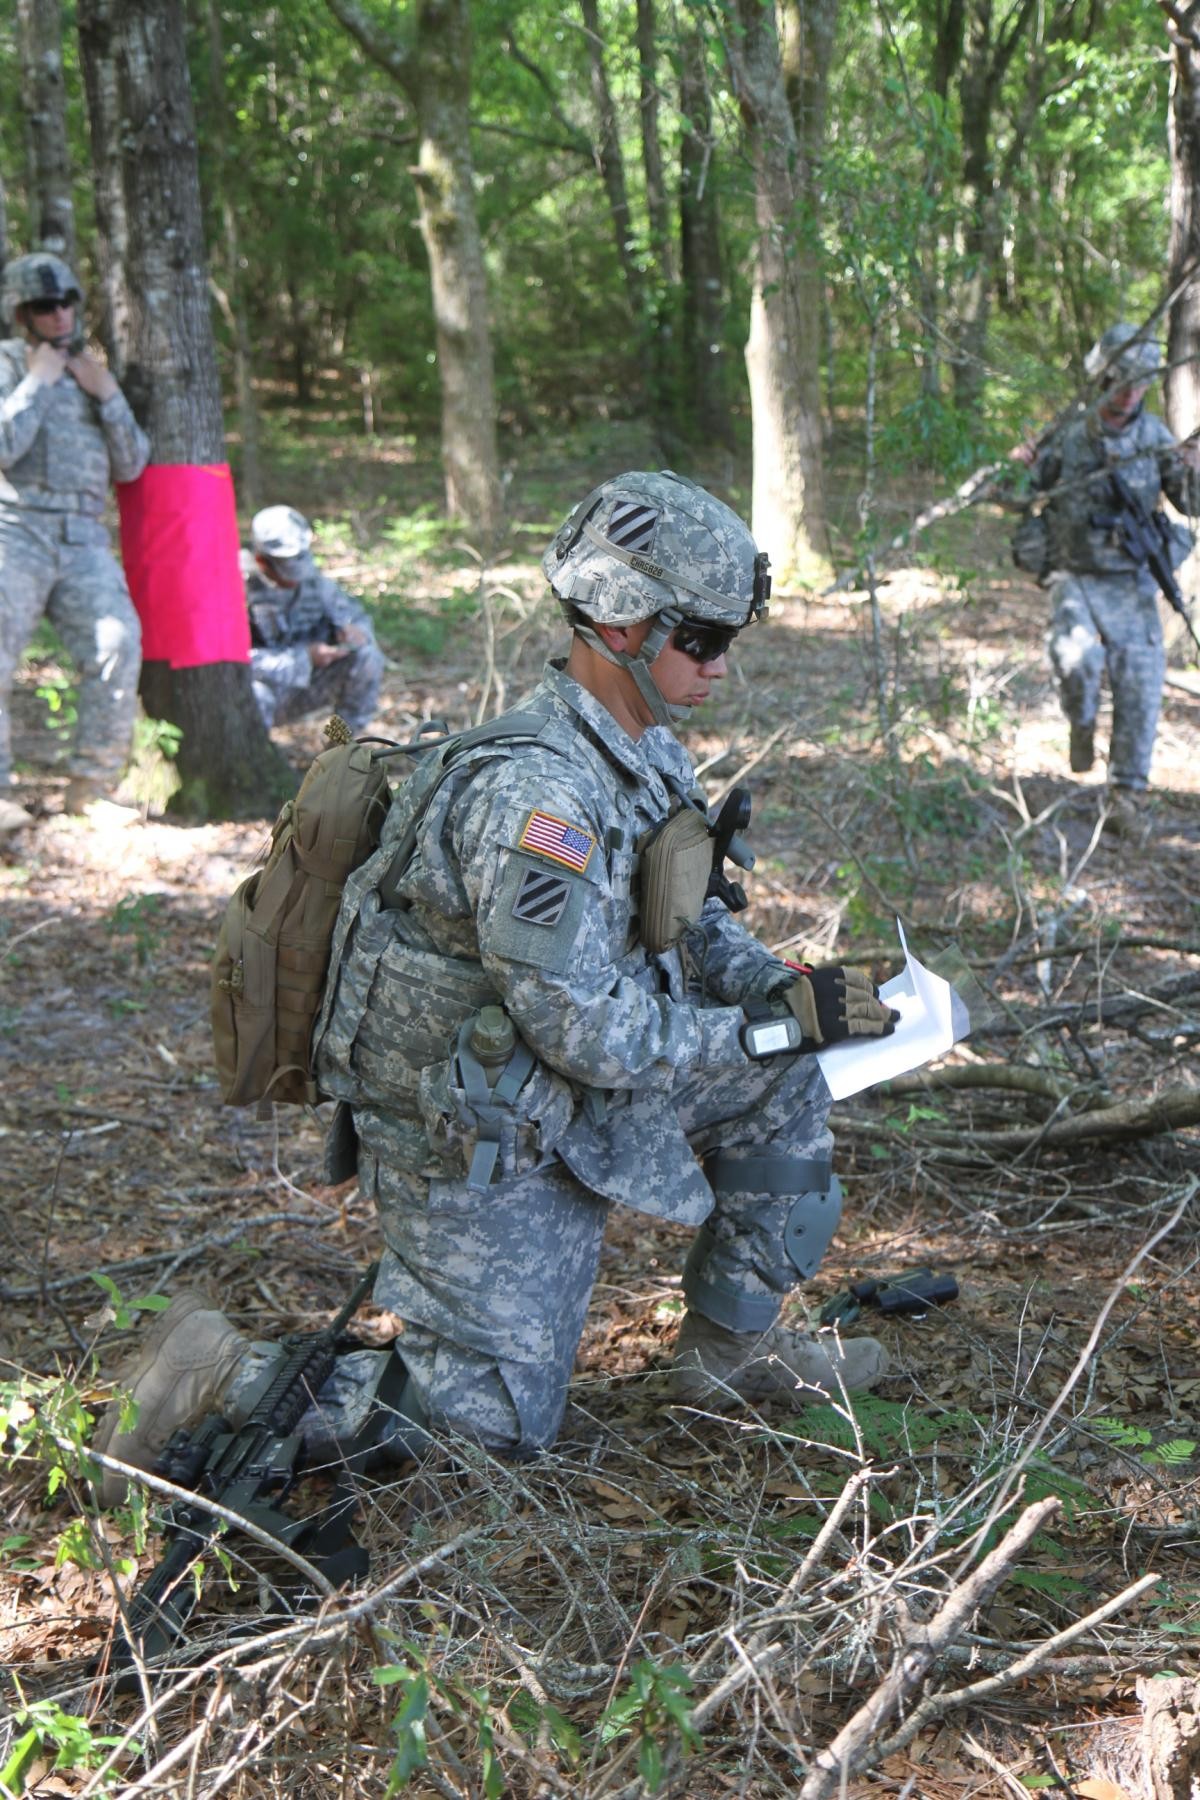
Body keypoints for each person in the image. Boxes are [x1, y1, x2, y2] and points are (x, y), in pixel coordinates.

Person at [92, 471, 899, 1500]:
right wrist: (763, 1032)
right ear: (617, 627)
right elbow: (588, 1032)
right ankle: (214, 1371)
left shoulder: (647, 757)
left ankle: (729, 1354)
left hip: (558, 1078)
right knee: (484, 1425)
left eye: (727, 639)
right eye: (700, 640)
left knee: (785, 1085)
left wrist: (791, 995)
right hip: (478, 1128)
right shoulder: (537, 803)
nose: (722, 668)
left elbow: (693, 933)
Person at [1013, 321, 1200, 828]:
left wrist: (1192, 467)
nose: (1130, 392)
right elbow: (1019, 491)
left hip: (1132, 579)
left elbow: (1192, 501)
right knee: (1075, 657)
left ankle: (1126, 796)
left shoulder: (1154, 436)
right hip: (1074, 574)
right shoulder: (1071, 431)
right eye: (1121, 380)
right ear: (1102, 377)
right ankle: (1080, 724)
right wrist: (1019, 465)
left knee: (1141, 679)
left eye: (1140, 382)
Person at [0, 252, 149, 834]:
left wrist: (108, 394)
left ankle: (91, 787)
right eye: (45, 305)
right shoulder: (10, 365)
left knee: (117, 642)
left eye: (66, 302)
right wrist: (37, 382)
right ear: (21, 313)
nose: (60, 314)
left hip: (84, 534)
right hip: (16, 526)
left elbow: (133, 464)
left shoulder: (93, 374)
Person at [244, 505, 384, 738]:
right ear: (262, 561)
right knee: (257, 694)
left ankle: (339, 751)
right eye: (288, 566)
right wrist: (304, 657)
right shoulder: (239, 591)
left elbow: (353, 616)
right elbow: (237, 664)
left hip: (309, 686)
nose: (297, 576)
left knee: (368, 657)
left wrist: (353, 631)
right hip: (266, 691)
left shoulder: (314, 583)